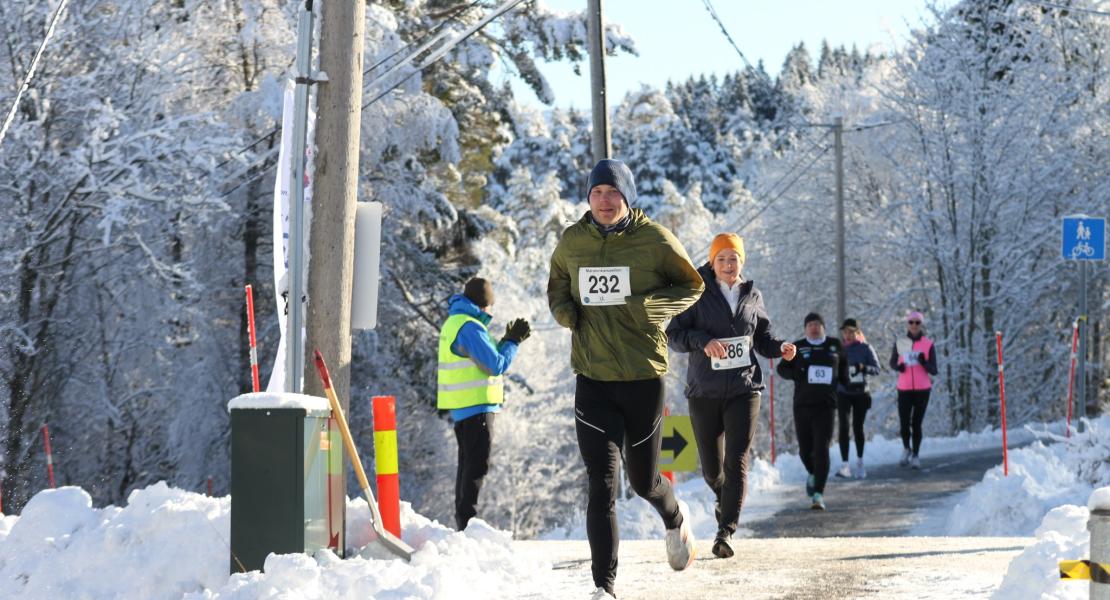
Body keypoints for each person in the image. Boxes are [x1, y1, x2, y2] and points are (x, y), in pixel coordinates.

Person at [548, 159, 704, 599]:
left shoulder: (654, 240)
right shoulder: (573, 241)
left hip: (642, 378)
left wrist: (649, 307)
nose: (604, 201)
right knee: (600, 485)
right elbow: (557, 284)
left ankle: (674, 518)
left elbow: (692, 286)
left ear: (627, 197)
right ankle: (605, 586)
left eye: (613, 193)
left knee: (643, 482)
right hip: (592, 377)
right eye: (597, 192)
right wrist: (565, 312)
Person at [666, 233, 796, 559]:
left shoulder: (752, 294)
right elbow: (674, 335)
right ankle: (723, 498)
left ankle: (725, 531)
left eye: (733, 258)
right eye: (721, 259)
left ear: (742, 261)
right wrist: (702, 341)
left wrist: (780, 347)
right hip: (704, 391)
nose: (728, 264)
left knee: (736, 460)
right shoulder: (695, 291)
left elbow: (762, 337)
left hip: (744, 389)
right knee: (712, 470)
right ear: (712, 262)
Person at [437, 277, 531, 530]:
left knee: (467, 464)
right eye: (490, 304)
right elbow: (495, 365)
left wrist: (504, 341)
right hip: (476, 406)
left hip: (463, 407)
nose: (492, 310)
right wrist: (512, 342)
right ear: (483, 303)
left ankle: (463, 521)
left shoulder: (456, 323)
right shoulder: (470, 326)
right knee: (476, 466)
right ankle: (467, 524)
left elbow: (481, 358)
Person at [775, 312, 846, 510]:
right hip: (803, 405)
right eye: (810, 325)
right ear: (805, 329)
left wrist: (846, 386)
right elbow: (781, 369)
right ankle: (813, 473)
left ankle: (818, 493)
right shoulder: (797, 347)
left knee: (822, 448)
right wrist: (795, 373)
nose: (814, 328)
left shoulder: (834, 345)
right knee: (805, 450)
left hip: (826, 405)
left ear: (823, 327)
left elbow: (844, 369)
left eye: (817, 324)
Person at [889, 310, 938, 469]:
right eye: (911, 322)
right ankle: (906, 448)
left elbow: (934, 370)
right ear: (907, 324)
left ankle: (916, 455)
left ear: (921, 324)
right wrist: (899, 367)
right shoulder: (900, 343)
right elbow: (892, 363)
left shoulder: (928, 344)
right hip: (904, 389)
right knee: (904, 422)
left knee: (916, 423)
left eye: (917, 322)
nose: (914, 325)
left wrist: (924, 363)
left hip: (922, 389)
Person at [834, 319, 881, 479]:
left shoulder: (866, 348)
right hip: (843, 393)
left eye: (850, 332)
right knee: (844, 427)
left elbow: (877, 369)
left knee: (857, 427)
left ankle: (860, 463)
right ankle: (845, 465)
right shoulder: (838, 349)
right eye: (845, 332)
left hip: (861, 393)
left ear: (857, 332)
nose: (847, 335)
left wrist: (863, 367)